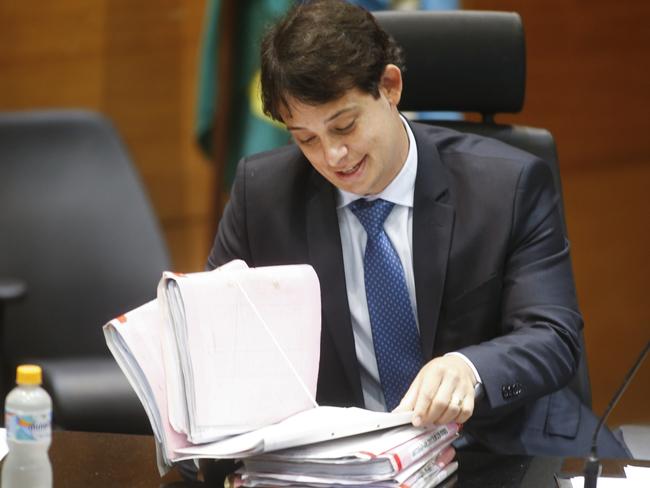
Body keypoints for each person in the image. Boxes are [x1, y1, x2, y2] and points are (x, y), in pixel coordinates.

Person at [207, 0, 627, 458]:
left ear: (389, 87)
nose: (333, 157)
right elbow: (211, 337)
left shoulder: (507, 185)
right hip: (352, 464)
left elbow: (553, 335)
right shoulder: (262, 193)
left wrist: (470, 368)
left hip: (504, 450)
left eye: (344, 126)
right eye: (305, 139)